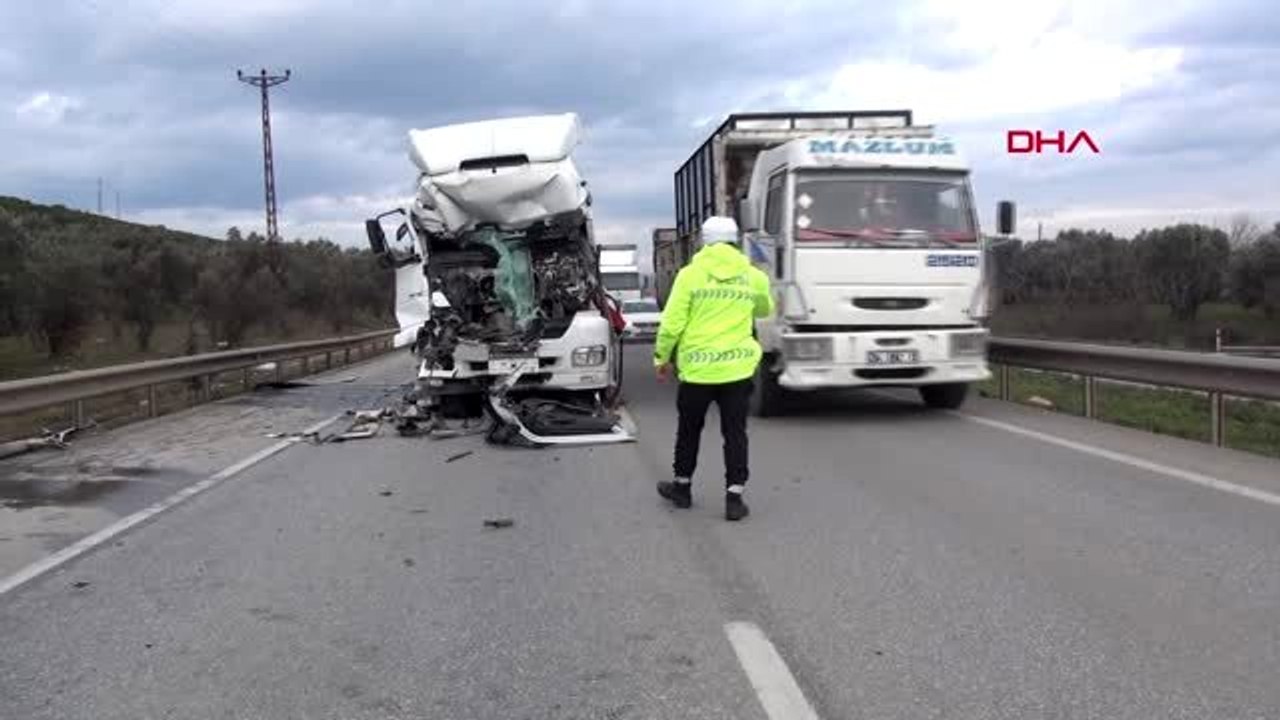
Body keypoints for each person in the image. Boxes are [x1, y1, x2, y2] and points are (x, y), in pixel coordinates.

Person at [653, 216, 773, 521]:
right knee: (735, 433)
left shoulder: (689, 275)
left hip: (697, 371)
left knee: (689, 430)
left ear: (703, 242)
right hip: (737, 370)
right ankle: (734, 498)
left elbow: (672, 323)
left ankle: (682, 489)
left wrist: (662, 358)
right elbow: (765, 309)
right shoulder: (753, 276)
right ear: (735, 241)